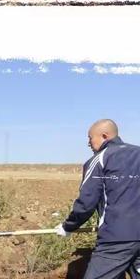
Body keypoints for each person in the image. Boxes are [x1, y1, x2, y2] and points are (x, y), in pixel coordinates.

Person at [56, 119, 140, 279]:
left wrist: (68, 226)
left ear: (104, 136)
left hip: (116, 239)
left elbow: (87, 201)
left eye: (90, 138)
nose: (88, 143)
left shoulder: (100, 159)